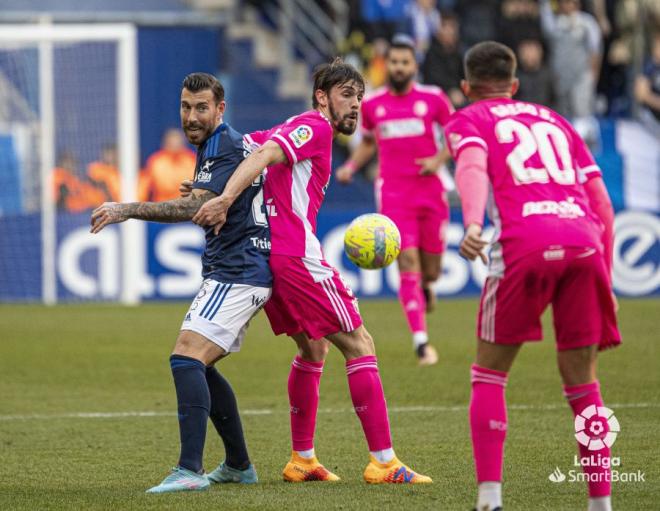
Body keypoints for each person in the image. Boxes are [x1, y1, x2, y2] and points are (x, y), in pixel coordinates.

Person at [192, 58, 432, 484]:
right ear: (322, 98)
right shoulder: (314, 126)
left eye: (359, 97)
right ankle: (384, 462)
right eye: (346, 95)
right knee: (360, 343)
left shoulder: (292, 127)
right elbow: (264, 154)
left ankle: (302, 459)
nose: (355, 105)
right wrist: (225, 198)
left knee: (313, 350)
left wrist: (207, 185)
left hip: (270, 259)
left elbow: (243, 147)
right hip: (297, 257)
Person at [444, 41, 620, 511]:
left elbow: (473, 165)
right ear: (515, 84)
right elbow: (602, 202)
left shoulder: (468, 119)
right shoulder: (556, 120)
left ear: (466, 87)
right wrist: (606, 270)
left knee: (489, 374)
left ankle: (489, 500)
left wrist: (475, 224)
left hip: (526, 241)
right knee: (583, 383)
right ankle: (600, 503)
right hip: (584, 242)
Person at [90, 72, 270, 493]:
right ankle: (239, 465)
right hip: (238, 267)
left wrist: (126, 209)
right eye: (186, 107)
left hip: (239, 270)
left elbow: (194, 207)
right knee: (200, 365)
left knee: (186, 357)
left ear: (220, 109)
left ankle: (190, 470)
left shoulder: (224, 143)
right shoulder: (219, 146)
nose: (191, 116)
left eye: (201, 107)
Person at [335, 35, 455, 366]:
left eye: (405, 62)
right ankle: (421, 343)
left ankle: (427, 287)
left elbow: (456, 135)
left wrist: (439, 161)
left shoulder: (434, 99)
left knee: (431, 270)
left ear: (414, 66)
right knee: (408, 262)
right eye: (394, 62)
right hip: (394, 193)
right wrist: (350, 165)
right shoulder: (373, 105)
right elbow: (369, 143)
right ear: (387, 65)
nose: (399, 67)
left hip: (431, 192)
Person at [138, 128, 197, 202]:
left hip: (188, 206)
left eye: (177, 141)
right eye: (171, 141)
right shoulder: (156, 162)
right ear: (165, 143)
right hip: (163, 207)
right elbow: (145, 186)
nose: (175, 144)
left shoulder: (192, 160)